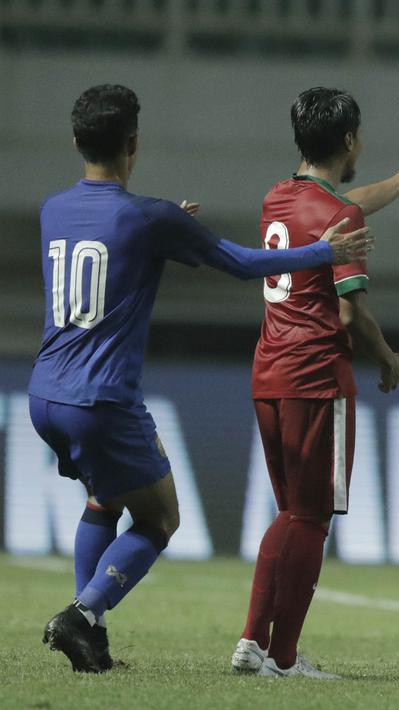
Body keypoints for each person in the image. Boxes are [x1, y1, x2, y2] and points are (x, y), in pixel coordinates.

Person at [34, 84, 371, 673]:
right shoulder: (150, 217)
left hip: (43, 395)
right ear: (133, 143)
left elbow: (109, 248)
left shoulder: (52, 210)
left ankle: (93, 638)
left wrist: (166, 227)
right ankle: (82, 615)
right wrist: (320, 252)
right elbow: (243, 264)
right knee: (161, 518)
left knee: (103, 497)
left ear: (75, 141)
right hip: (102, 399)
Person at [230, 87, 399, 679]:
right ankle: (282, 656)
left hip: (269, 374)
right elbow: (352, 313)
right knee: (312, 516)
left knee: (291, 513)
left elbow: (342, 201)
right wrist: (388, 359)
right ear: (350, 139)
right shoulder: (339, 218)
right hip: (316, 378)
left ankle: (254, 641)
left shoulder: (279, 198)